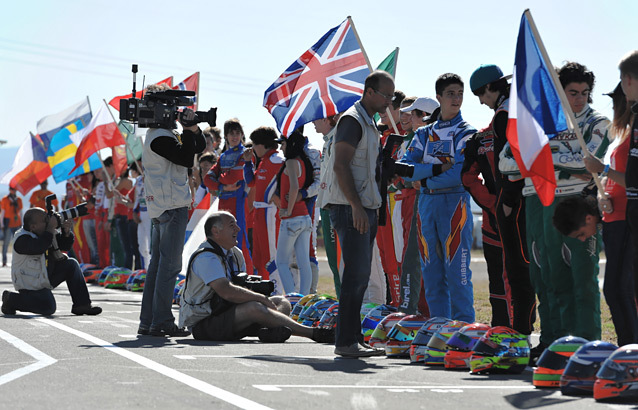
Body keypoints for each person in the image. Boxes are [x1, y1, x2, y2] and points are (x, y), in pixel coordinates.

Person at [500, 61, 610, 349]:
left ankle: (586, 344)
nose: (579, 99)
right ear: (558, 93)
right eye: (572, 92)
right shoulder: (534, 123)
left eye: (585, 93)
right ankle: (553, 342)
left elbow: (588, 166)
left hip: (577, 203)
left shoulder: (597, 122)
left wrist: (540, 158)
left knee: (581, 278)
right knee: (544, 275)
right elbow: (506, 164)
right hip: (537, 200)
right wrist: (561, 160)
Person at [178, 211, 334, 343]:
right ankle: (313, 333)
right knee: (256, 307)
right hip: (204, 322)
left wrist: (258, 293)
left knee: (282, 302)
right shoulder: (206, 257)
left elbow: (240, 286)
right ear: (216, 231)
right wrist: (261, 298)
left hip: (226, 313)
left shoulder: (235, 254)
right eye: (232, 226)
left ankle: (267, 330)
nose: (238, 229)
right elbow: (226, 291)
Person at [323, 70, 394, 357]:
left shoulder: (369, 123)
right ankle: (345, 342)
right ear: (369, 91)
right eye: (385, 95)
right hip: (350, 207)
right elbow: (341, 165)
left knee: (360, 277)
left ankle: (353, 338)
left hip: (364, 205)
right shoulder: (353, 120)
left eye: (391, 96)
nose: (389, 101)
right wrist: (355, 207)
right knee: (355, 276)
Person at [464, 64, 536, 335]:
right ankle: (512, 331)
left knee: (519, 272)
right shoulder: (504, 116)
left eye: (480, 95)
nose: (481, 101)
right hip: (509, 206)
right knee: (510, 274)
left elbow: (514, 164)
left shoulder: (507, 115)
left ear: (490, 88)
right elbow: (469, 177)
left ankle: (519, 334)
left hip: (514, 208)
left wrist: (503, 202)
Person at [400, 73, 476, 324]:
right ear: (439, 97)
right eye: (451, 93)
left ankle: (463, 328)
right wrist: (436, 171)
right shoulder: (423, 134)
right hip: (426, 203)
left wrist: (423, 177)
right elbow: (407, 168)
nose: (456, 98)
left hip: (455, 204)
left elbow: (459, 174)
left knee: (458, 271)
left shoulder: (467, 133)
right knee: (431, 271)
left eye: (460, 94)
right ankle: (438, 327)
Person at [139, 83, 206, 337]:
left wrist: (193, 129)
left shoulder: (157, 135)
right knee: (168, 267)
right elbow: (186, 158)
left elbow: (196, 147)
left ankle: (149, 321)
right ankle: (162, 321)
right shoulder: (160, 138)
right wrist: (188, 132)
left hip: (162, 207)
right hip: (172, 206)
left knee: (158, 266)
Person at [584, 82, 638, 345]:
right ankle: (627, 345)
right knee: (616, 289)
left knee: (620, 289)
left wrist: (603, 170)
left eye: (618, 101)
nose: (615, 107)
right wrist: (601, 194)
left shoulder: (633, 137)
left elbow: (634, 180)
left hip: (627, 218)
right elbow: (616, 180)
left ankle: (630, 347)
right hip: (614, 218)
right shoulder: (624, 136)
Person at [1, 207, 101, 316]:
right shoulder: (21, 239)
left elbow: (64, 246)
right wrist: (50, 229)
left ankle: (82, 305)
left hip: (43, 277)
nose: (48, 223)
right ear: (33, 227)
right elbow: (39, 247)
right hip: (30, 285)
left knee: (71, 265)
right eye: (45, 221)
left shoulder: (45, 233)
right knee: (48, 307)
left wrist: (66, 233)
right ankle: (11, 299)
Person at [397, 96, 440, 315]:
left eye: (412, 114)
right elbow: (404, 176)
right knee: (412, 258)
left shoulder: (440, 139)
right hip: (420, 201)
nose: (408, 117)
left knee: (433, 261)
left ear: (424, 117)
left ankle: (432, 314)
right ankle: (408, 310)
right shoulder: (415, 140)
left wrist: (422, 178)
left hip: (433, 203)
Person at [204, 118, 254, 274]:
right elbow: (207, 179)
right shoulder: (223, 156)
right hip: (224, 202)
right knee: (221, 239)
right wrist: (222, 186)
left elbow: (236, 175)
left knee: (240, 241)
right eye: (231, 134)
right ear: (225, 136)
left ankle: (246, 275)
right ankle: (227, 274)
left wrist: (220, 180)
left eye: (237, 133)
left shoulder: (244, 153)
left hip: (239, 201)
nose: (235, 137)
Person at [275, 130, 313, 294]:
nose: (281, 147)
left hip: (292, 218)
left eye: (282, 143)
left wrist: (287, 210)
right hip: (304, 217)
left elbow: (294, 187)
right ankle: (303, 299)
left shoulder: (291, 162)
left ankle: (291, 298)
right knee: (304, 263)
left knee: (281, 262)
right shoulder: (303, 162)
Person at [248, 126, 284, 293]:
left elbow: (290, 177)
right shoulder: (264, 161)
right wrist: (248, 163)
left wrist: (279, 196)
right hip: (259, 212)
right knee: (259, 256)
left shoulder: (277, 159)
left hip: (270, 212)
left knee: (271, 255)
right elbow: (251, 182)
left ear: (263, 144)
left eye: (255, 144)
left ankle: (277, 291)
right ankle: (265, 290)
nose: (253, 148)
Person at [315, 114, 343, 296]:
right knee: (334, 261)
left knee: (339, 261)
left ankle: (346, 304)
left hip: (335, 204)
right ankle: (342, 302)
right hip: (325, 204)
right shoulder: (327, 141)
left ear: (327, 120)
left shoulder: (338, 139)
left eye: (316, 118)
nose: (312, 122)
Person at [1, 187, 23, 267]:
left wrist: (22, 223)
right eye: (12, 189)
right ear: (9, 190)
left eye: (14, 189)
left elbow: (21, 212)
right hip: (8, 224)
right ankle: (4, 261)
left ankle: (17, 261)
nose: (13, 190)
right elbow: (2, 212)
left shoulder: (18, 200)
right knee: (6, 243)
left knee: (17, 243)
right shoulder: (5, 199)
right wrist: (2, 224)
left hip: (17, 224)